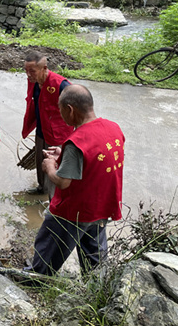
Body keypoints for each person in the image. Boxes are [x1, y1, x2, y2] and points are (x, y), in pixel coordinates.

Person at [27, 85, 124, 277]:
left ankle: (36, 279)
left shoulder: (77, 141)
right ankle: (96, 286)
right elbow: (95, 160)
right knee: (94, 257)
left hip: (73, 212)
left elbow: (62, 182)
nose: (60, 114)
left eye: (60, 109)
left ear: (70, 109)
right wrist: (64, 156)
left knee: (48, 249)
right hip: (102, 207)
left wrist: (50, 166)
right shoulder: (113, 128)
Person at [22, 51, 74, 198]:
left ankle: (54, 200)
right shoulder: (34, 82)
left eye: (32, 71)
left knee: (55, 166)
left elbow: (76, 110)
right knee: (40, 162)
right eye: (26, 70)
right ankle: (42, 188)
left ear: (44, 68)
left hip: (58, 134)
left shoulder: (61, 85)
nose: (28, 75)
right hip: (42, 130)